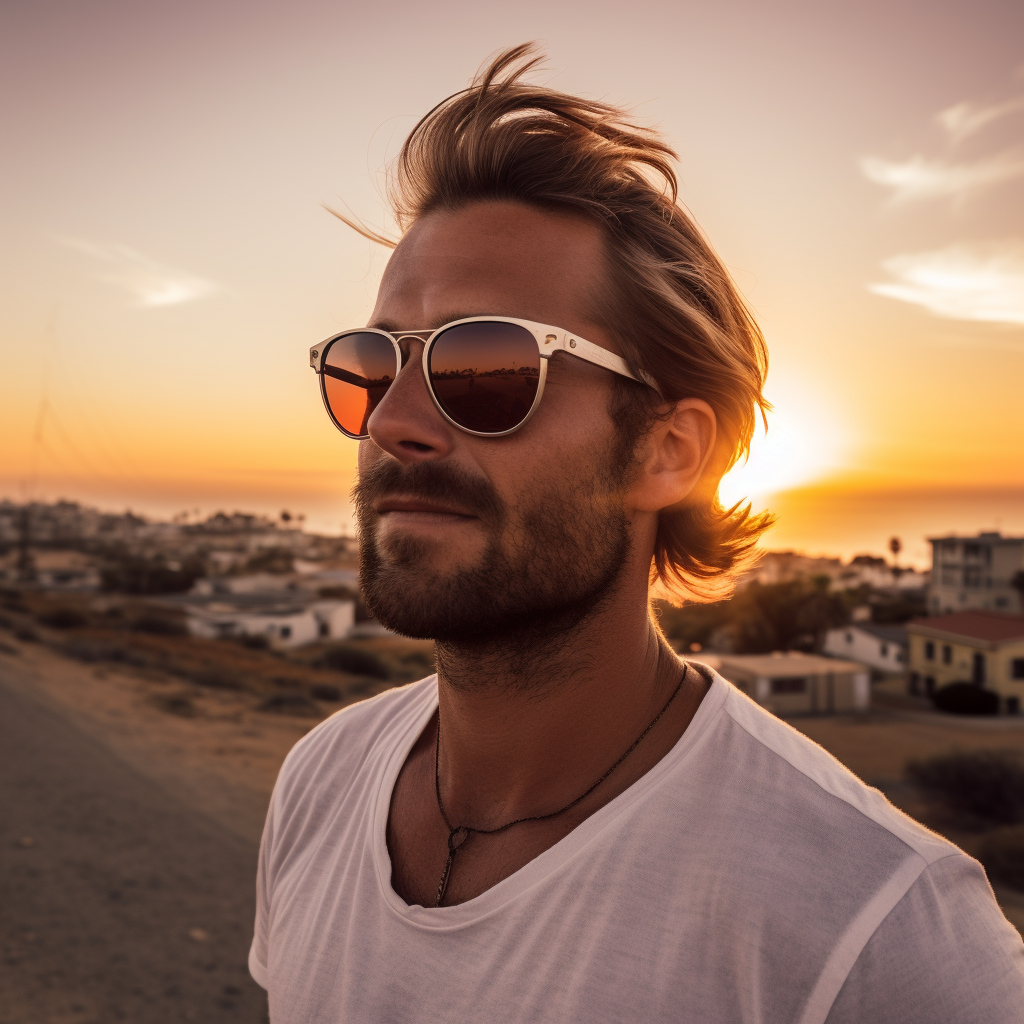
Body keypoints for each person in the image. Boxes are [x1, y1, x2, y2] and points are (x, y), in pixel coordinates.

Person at [249, 45, 1024, 1022]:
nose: (394, 420)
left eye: (484, 367)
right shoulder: (323, 779)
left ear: (665, 451)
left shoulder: (877, 932)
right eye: (369, 365)